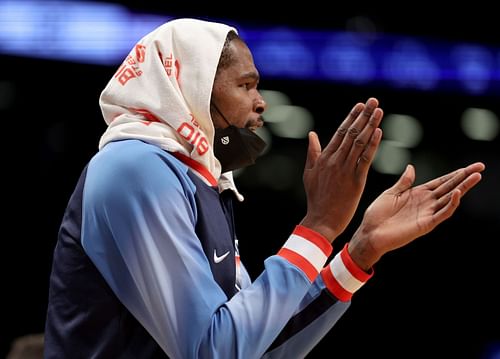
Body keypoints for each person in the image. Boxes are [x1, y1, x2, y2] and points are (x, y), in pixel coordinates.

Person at [43, 18, 485, 358]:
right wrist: (318, 227)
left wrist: (358, 254)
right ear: (192, 87)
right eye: (246, 85)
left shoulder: (202, 181)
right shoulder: (134, 166)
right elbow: (215, 351)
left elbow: (257, 347)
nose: (261, 102)